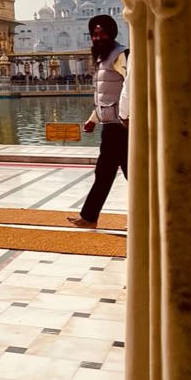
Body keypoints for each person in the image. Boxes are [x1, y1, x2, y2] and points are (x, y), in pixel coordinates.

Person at [67, 15, 129, 229]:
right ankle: (89, 217)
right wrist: (93, 119)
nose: (97, 38)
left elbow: (130, 88)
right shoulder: (104, 58)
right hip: (112, 127)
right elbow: (105, 95)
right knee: (109, 172)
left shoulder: (121, 55)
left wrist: (126, 117)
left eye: (102, 33)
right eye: (94, 34)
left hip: (122, 127)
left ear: (112, 34)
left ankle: (90, 217)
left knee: (115, 173)